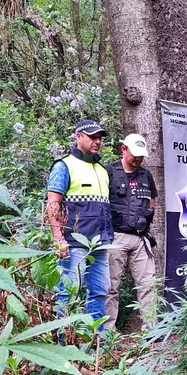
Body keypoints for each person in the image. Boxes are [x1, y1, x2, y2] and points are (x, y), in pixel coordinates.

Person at [46, 119, 113, 323]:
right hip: (74, 242)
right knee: (69, 292)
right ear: (78, 137)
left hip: (99, 242)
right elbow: (53, 204)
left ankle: (95, 341)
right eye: (92, 137)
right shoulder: (64, 166)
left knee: (100, 291)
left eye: (99, 138)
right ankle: (63, 340)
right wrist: (58, 238)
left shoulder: (102, 170)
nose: (97, 141)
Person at [104, 133, 158, 331]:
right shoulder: (109, 171)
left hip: (141, 238)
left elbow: (152, 202)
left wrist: (147, 218)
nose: (138, 159)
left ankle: (151, 329)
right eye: (134, 154)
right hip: (115, 236)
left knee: (148, 284)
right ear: (123, 149)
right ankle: (108, 331)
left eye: (141, 156)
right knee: (111, 286)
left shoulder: (146, 175)